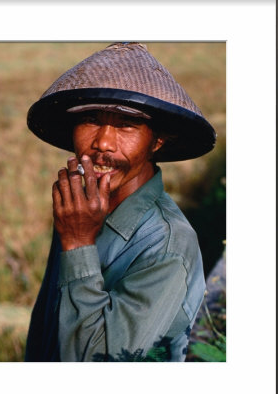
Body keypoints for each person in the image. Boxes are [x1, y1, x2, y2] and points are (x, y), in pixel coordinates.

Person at [25, 42, 216, 362]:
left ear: (157, 140)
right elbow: (48, 332)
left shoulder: (168, 245)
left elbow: (99, 368)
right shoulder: (80, 211)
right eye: (91, 120)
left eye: (126, 125)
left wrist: (77, 244)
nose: (102, 142)